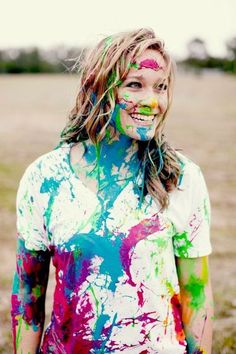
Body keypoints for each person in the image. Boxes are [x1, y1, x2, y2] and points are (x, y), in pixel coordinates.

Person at [11, 28, 214, 354]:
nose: (152, 101)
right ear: (98, 87)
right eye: (135, 85)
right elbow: (28, 297)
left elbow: (198, 295)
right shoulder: (45, 178)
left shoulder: (181, 178)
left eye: (161, 87)